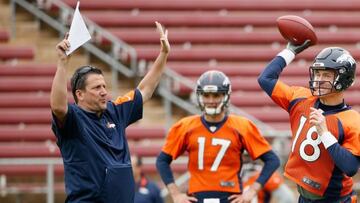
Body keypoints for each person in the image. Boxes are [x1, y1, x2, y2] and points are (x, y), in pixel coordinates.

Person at [50, 21, 170, 203]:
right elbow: (58, 107)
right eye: (97, 87)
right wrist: (62, 63)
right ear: (79, 94)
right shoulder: (73, 119)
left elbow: (145, 90)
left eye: (104, 86)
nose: (104, 91)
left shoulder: (114, 110)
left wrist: (163, 54)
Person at [258, 40, 360, 202]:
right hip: (304, 197)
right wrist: (289, 51)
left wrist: (324, 133)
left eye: (326, 74)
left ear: (344, 79)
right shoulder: (301, 98)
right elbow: (265, 79)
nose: (319, 79)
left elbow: (351, 168)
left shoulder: (352, 120)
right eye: (317, 73)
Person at [156, 70, 281, 203]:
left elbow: (272, 160)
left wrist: (252, 190)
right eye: (206, 95)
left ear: (225, 96)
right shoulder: (185, 126)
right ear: (199, 96)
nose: (211, 100)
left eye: (216, 95)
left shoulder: (242, 126)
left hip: (230, 197)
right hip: (196, 197)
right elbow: (162, 161)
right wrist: (175, 194)